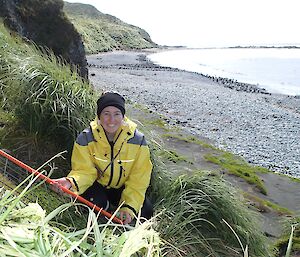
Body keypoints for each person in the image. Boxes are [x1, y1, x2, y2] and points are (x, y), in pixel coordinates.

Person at [54, 92, 153, 224]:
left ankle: (120, 210)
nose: (111, 120)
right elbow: (84, 171)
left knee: (146, 211)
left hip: (122, 188)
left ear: (123, 116)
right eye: (106, 113)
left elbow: (139, 179)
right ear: (99, 116)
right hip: (98, 186)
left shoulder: (138, 140)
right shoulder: (86, 138)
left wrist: (128, 207)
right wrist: (70, 182)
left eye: (117, 114)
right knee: (94, 205)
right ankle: (105, 209)